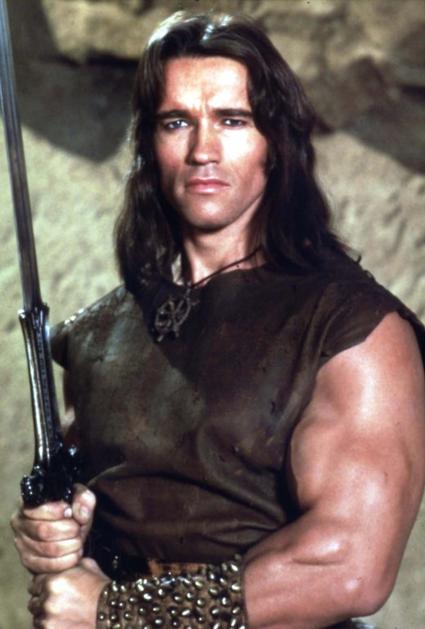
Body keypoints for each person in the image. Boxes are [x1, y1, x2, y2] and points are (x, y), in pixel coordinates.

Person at [10, 11, 425, 629]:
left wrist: (117, 611)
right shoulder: (100, 332)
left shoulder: (353, 328)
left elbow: (348, 567)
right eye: (177, 122)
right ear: (150, 145)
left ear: (274, 142)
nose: (203, 151)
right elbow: (97, 510)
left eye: (233, 120)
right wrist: (54, 531)